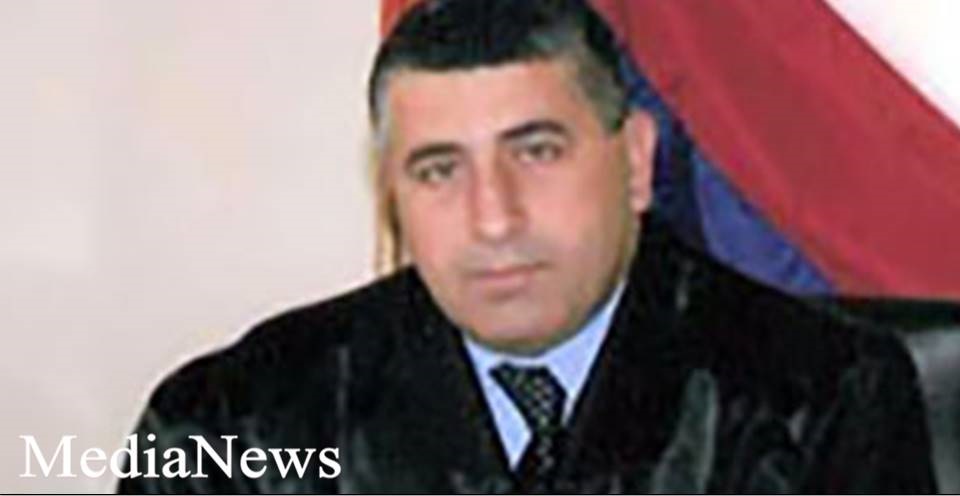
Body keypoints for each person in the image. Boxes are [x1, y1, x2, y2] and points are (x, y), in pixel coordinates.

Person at [117, 0, 936, 492]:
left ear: (636, 162)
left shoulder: (819, 396)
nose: (494, 219)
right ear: (392, 192)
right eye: (439, 170)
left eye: (537, 151)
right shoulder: (233, 423)